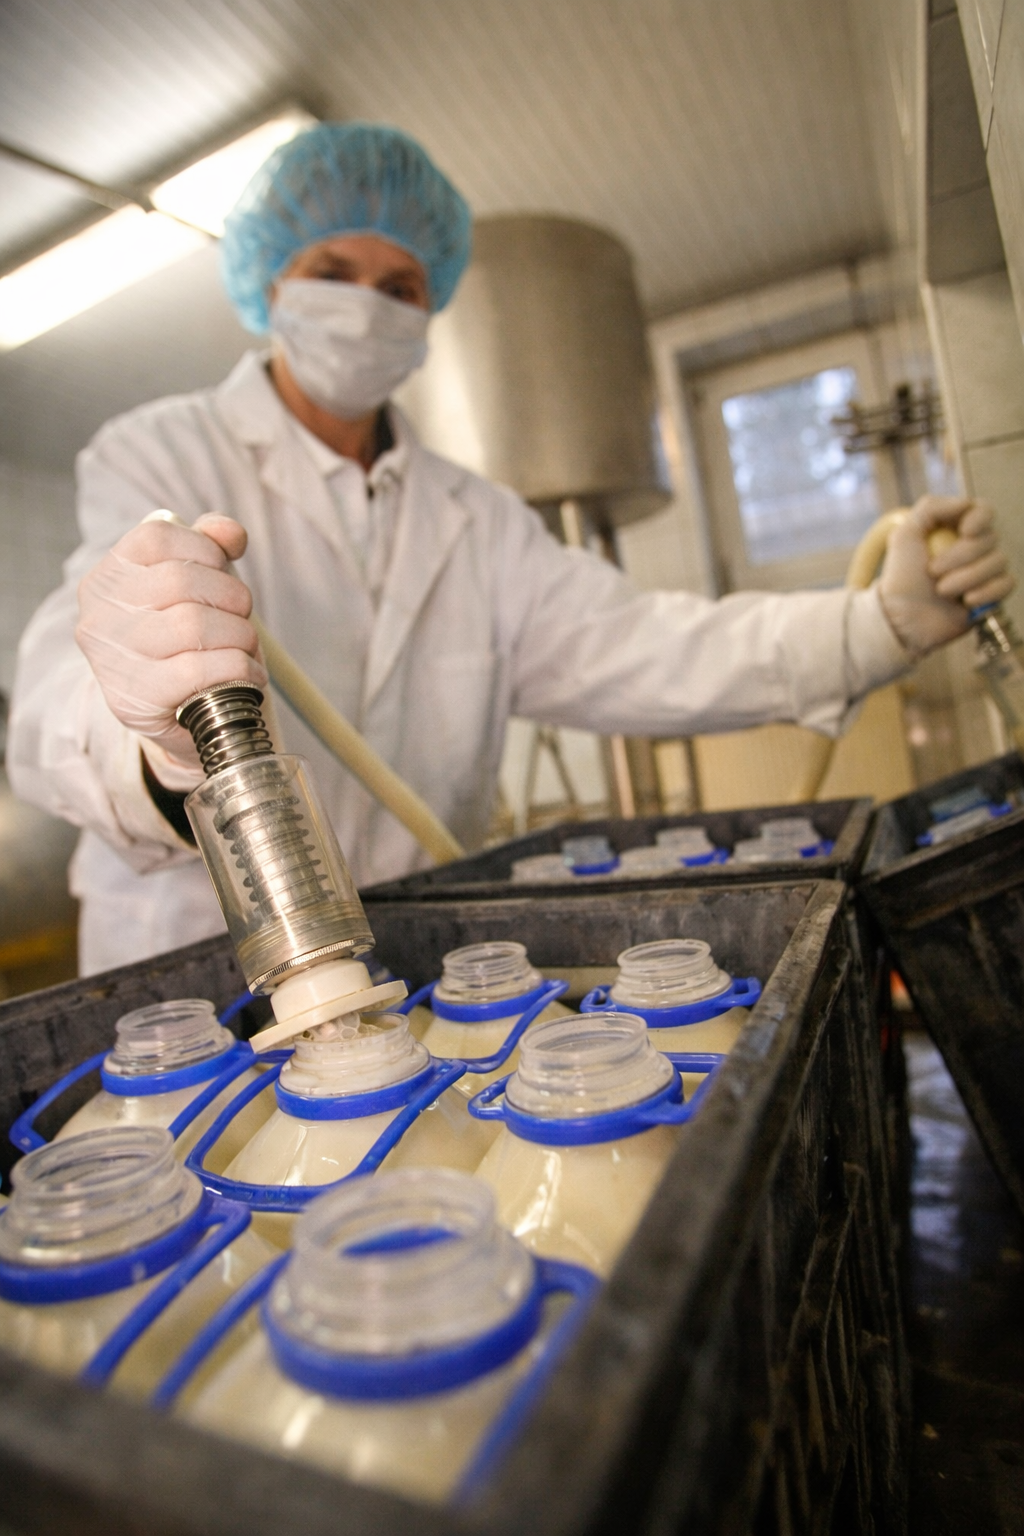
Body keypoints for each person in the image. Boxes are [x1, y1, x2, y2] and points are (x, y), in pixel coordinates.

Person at [8, 124, 1014, 976]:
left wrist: (880, 624)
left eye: (399, 285)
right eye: (333, 274)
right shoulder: (159, 454)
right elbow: (59, 701)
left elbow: (647, 645)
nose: (366, 306)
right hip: (194, 972)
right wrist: (158, 751)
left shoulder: (475, 519)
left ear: (430, 308)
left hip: (411, 960)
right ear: (272, 280)